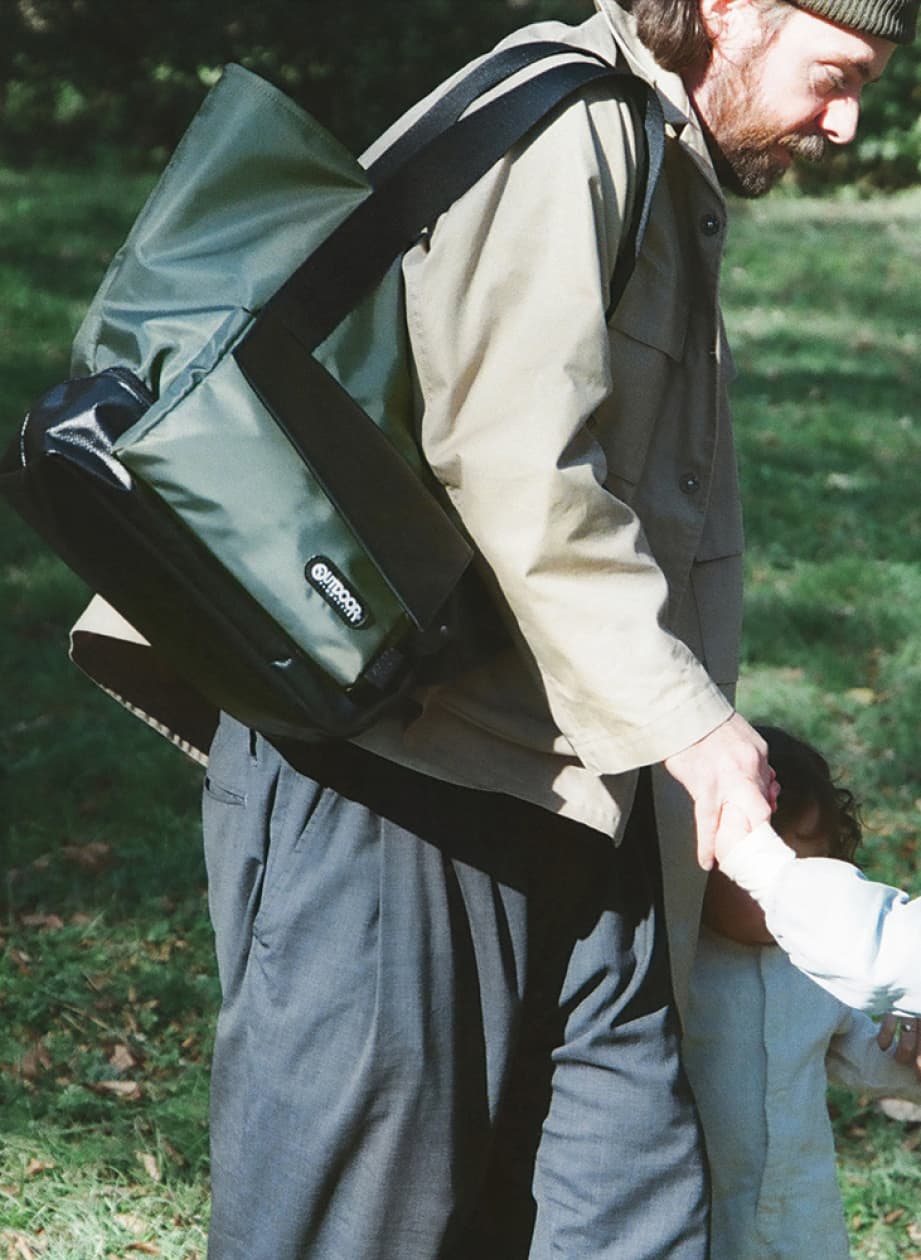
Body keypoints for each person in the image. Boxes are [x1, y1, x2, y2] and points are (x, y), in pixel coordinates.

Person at [65, 0, 915, 1255]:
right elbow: (516, 466)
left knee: (633, 1209)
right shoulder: (572, 127)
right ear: (727, 9)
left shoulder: (657, 155)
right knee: (361, 1226)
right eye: (833, 74)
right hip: (395, 778)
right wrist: (694, 728)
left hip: (585, 795)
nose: (844, 123)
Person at [684, 726, 921, 1260]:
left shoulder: (823, 961)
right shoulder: (680, 964)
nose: (786, 896)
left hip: (801, 1208)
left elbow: (850, 1046)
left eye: (810, 865)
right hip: (705, 1210)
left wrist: (906, 1062)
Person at [716, 802, 921, 1016]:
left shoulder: (825, 967)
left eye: (817, 867)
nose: (789, 908)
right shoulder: (697, 968)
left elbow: (885, 959)